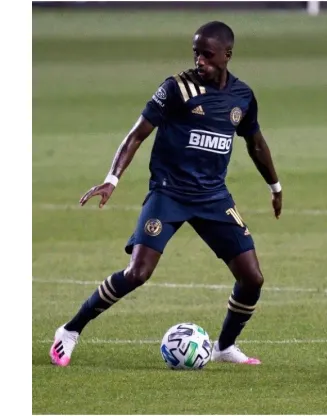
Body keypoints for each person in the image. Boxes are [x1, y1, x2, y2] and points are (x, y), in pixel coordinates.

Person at [49, 21, 282, 367]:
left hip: (213, 197)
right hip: (169, 193)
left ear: (227, 55)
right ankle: (69, 331)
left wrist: (274, 186)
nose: (199, 60)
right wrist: (112, 179)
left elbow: (256, 143)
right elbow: (136, 134)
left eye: (207, 54)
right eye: (196, 53)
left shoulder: (242, 97)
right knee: (138, 273)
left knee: (252, 277)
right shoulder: (176, 88)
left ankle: (224, 346)